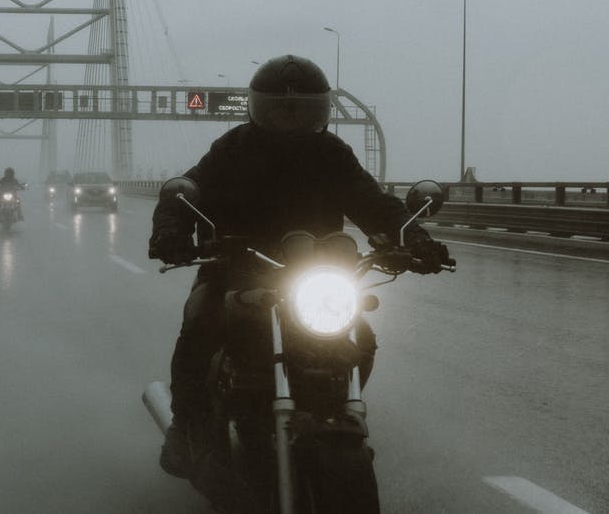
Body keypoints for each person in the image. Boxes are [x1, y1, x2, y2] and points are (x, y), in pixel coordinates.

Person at [148, 55, 451, 482]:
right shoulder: (232, 150)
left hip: (315, 272)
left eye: (302, 107)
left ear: (321, 110)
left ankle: (335, 406)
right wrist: (171, 232)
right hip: (237, 268)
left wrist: (414, 238)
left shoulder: (331, 153)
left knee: (357, 336)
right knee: (199, 325)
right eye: (279, 106)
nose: (290, 117)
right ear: (259, 107)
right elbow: (187, 193)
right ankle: (187, 428)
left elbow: (373, 203)